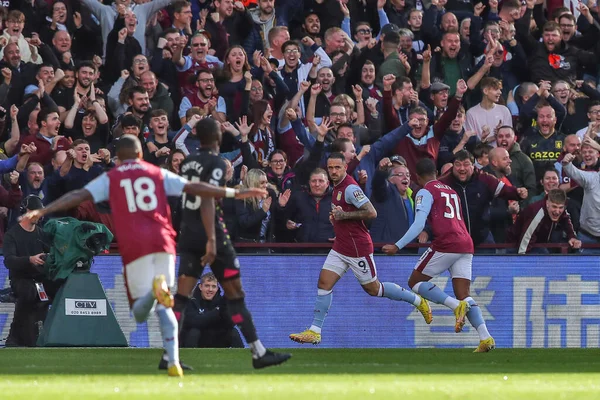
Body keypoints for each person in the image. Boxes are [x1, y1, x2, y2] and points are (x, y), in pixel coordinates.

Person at [19, 134, 267, 377]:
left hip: (137, 245)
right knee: (166, 305)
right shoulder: (156, 173)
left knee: (140, 311)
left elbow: (76, 196)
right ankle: (172, 360)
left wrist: (44, 211)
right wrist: (236, 193)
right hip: (164, 241)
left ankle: (152, 299)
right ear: (139, 154)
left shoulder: (114, 177)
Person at [173, 118, 291, 369]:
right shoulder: (214, 162)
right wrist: (213, 240)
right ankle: (258, 353)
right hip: (210, 235)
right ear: (215, 138)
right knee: (235, 296)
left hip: (188, 235)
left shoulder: (187, 164)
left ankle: (169, 356)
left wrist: (238, 193)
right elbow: (207, 199)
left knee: (181, 297)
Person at [289, 152, 432, 345]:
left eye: (337, 167)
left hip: (357, 247)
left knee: (374, 289)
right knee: (324, 282)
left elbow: (371, 212)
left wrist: (344, 216)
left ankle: (417, 301)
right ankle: (315, 331)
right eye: (330, 168)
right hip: (342, 245)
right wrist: (338, 218)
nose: (333, 171)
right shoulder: (337, 187)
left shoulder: (350, 188)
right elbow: (343, 213)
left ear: (345, 167)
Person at [382, 158, 495, 353]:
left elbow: (418, 225)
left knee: (415, 282)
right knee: (464, 294)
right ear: (436, 172)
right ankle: (485, 337)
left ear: (417, 177)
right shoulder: (451, 191)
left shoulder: (425, 191)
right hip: (465, 243)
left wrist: (397, 246)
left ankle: (454, 306)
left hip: (446, 243)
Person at [180, 272, 243, 348]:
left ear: (217, 288)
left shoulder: (222, 302)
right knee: (194, 332)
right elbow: (194, 322)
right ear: (200, 287)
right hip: (199, 340)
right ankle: (190, 359)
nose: (210, 289)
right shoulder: (190, 302)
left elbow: (231, 323)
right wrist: (217, 312)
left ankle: (241, 359)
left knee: (233, 331)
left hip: (217, 339)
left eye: (213, 286)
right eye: (207, 286)